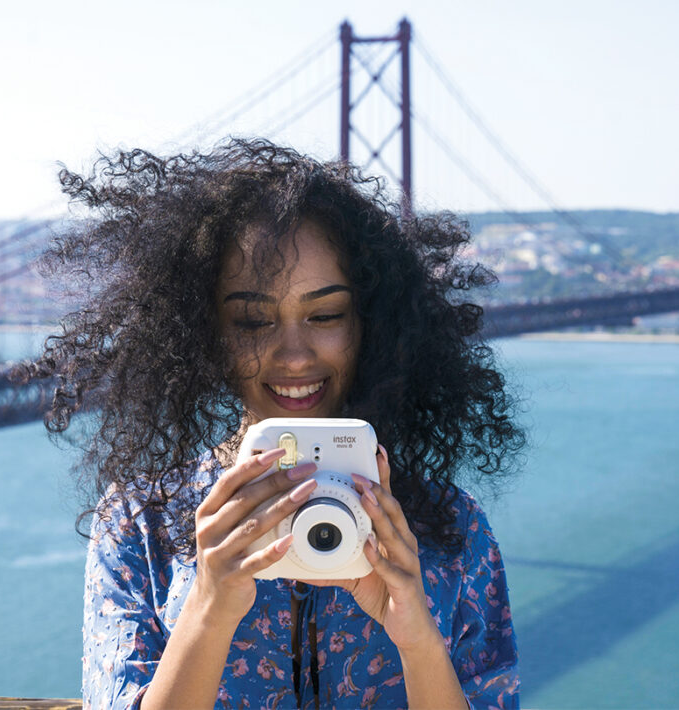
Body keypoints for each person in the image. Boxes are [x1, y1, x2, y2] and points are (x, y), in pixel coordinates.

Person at [27, 139, 524, 709]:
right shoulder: (143, 527)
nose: (293, 355)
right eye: (254, 319)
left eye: (326, 315)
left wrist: (416, 640)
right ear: (205, 333)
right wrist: (209, 607)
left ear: (372, 324)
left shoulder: (452, 532)